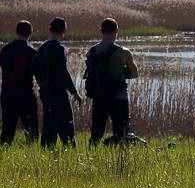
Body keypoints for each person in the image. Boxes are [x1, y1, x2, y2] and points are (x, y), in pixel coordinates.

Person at [85, 18, 139, 145]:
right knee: (122, 132)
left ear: (100, 31)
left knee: (96, 132)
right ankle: (118, 157)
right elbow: (135, 73)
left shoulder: (91, 52)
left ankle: (92, 155)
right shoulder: (124, 52)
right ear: (117, 31)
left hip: (99, 96)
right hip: (118, 96)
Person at [33, 17, 81, 148]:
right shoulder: (59, 48)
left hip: (46, 91)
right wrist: (74, 92)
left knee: (49, 122)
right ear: (64, 31)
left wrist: (41, 82)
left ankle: (47, 148)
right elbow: (63, 72)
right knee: (66, 121)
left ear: (50, 29)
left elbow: (34, 66)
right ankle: (70, 148)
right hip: (58, 91)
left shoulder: (42, 47)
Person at [0, 20, 39, 144]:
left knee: (7, 129)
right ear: (30, 33)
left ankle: (4, 152)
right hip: (27, 95)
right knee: (31, 130)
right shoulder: (33, 53)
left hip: (8, 94)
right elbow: (39, 74)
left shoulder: (5, 50)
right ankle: (33, 155)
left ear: (16, 32)